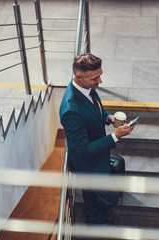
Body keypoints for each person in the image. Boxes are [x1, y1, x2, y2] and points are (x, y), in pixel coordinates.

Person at [59, 53, 135, 224]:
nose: (100, 81)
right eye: (95, 78)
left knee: (90, 191)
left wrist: (109, 118)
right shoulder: (71, 109)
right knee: (111, 198)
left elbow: (95, 110)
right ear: (78, 77)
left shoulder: (87, 88)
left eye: (100, 75)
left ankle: (93, 217)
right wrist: (115, 136)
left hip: (97, 156)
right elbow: (84, 150)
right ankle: (96, 219)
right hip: (88, 164)